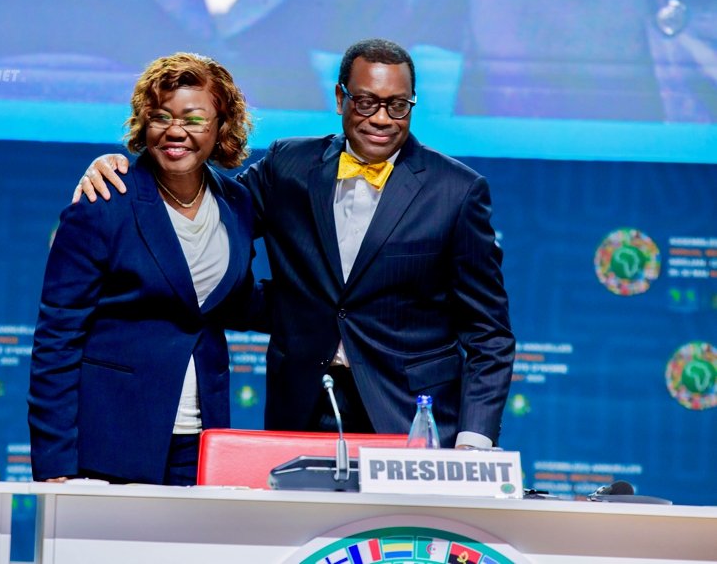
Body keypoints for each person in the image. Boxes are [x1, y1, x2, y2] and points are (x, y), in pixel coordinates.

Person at [74, 39, 515, 449]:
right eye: (366, 102)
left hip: (411, 414)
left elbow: (489, 333)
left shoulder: (457, 191)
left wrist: (474, 439)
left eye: (397, 105)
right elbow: (208, 209)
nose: (381, 118)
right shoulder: (289, 165)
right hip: (303, 404)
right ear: (341, 98)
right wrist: (127, 172)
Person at [28, 52, 261, 485]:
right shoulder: (103, 203)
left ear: (222, 125)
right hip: (112, 440)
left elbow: (233, 302)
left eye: (194, 119)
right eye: (160, 116)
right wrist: (55, 462)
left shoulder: (237, 202)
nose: (175, 130)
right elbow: (57, 339)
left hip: (203, 439)